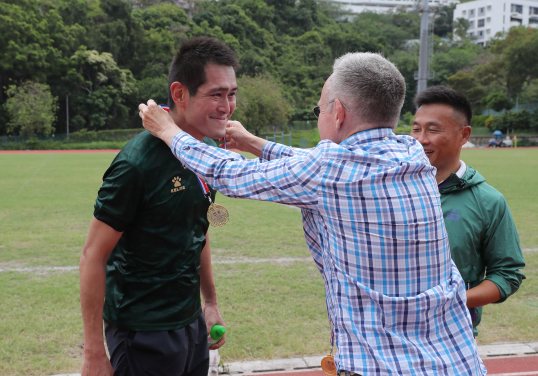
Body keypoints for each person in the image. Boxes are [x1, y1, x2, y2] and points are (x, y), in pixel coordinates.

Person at [140, 52, 486, 376]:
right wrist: (255, 143)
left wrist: (169, 131)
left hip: (381, 366)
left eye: (319, 109)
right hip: (458, 361)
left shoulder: (331, 171)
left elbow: (232, 174)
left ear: (338, 113)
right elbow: (322, 166)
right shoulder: (409, 152)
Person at [79, 36, 240, 376]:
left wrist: (209, 303)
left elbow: (199, 229)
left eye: (231, 94)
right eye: (216, 94)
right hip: (142, 330)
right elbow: (93, 255)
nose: (227, 106)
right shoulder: (136, 164)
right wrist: (94, 352)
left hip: (191, 324)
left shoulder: (207, 156)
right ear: (180, 94)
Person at [411, 85, 526, 337]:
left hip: (451, 340)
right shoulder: (392, 189)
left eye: (433, 129)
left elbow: (507, 275)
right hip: (384, 339)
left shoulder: (488, 201)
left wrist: (452, 302)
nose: (421, 139)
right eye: (416, 128)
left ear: (464, 135)